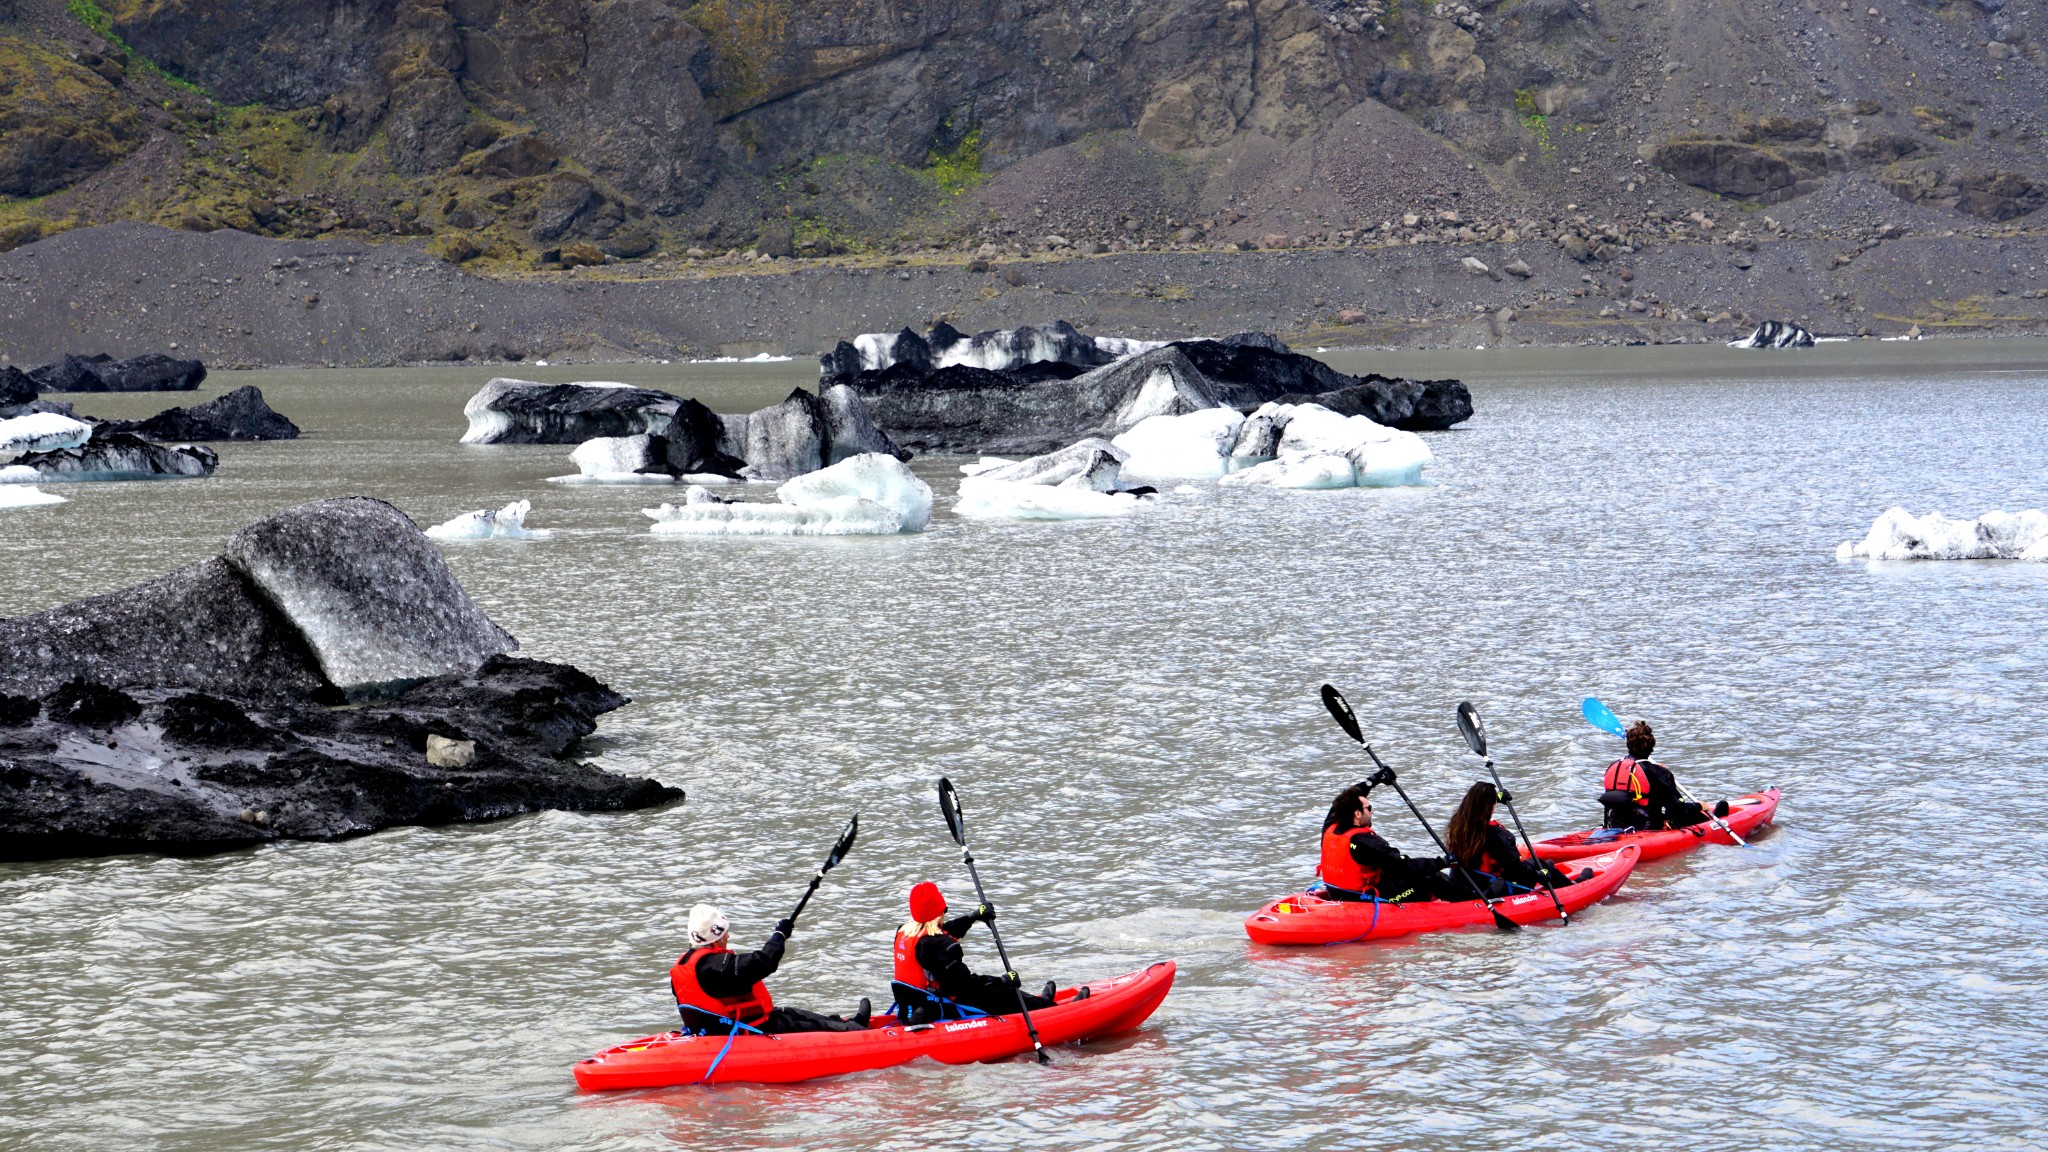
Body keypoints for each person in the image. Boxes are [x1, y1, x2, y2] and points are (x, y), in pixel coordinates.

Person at [669, 903, 871, 1035]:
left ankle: (849, 1023)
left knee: (792, 1013)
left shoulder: (684, 965)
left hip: (717, 1029)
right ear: (714, 935)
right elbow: (763, 962)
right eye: (724, 934)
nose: (727, 937)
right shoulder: (716, 967)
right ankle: (856, 1032)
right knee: (801, 1025)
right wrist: (779, 935)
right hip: (748, 1031)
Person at [892, 881, 1084, 1020]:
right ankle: (1057, 1011)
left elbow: (943, 933)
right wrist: (1001, 981)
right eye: (944, 909)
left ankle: (1040, 1003)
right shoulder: (941, 946)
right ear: (937, 912)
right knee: (1003, 992)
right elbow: (966, 986)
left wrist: (973, 917)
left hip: (916, 1004)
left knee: (1000, 987)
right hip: (945, 1006)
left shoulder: (905, 932)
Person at [1443, 781, 1587, 899]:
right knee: (1540, 863)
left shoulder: (1459, 825)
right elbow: (1516, 871)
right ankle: (1573, 887)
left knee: (1539, 864)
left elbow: (1478, 804)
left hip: (1472, 884)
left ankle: (1553, 873)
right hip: (1498, 888)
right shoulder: (1497, 835)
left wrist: (1497, 798)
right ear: (1489, 806)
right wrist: (1538, 874)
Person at [1315, 783, 1451, 903]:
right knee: (1429, 878)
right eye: (1369, 808)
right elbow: (1405, 867)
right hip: (1362, 899)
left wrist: (1373, 780)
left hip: (1336, 893)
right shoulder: (1367, 842)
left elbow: (1342, 802)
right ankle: (1466, 902)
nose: (1371, 811)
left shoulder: (1329, 828)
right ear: (1357, 814)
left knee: (1389, 874)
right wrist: (1442, 862)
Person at [1600, 720, 1729, 831]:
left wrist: (1656, 770)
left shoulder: (1614, 767)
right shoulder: (1660, 773)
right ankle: (1716, 818)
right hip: (1648, 828)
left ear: (1629, 745)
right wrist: (1699, 806)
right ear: (1652, 747)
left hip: (1615, 825)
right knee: (1693, 814)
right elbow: (1677, 811)